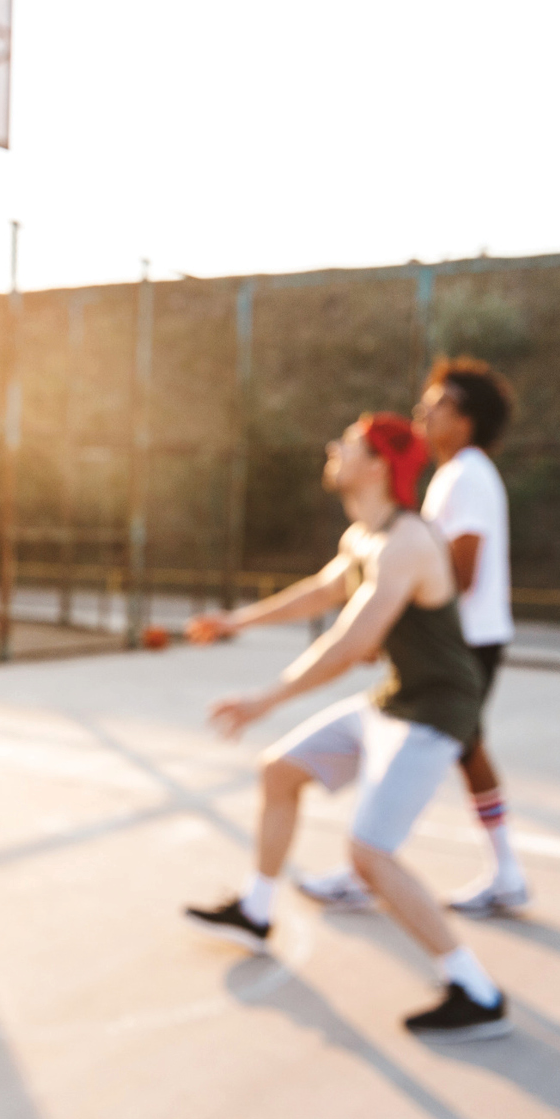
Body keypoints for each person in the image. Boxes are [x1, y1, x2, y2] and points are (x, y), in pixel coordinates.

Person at [184, 413, 512, 1041]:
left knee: (369, 855)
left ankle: (475, 989)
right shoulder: (365, 534)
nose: (334, 449)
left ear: (380, 464)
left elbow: (350, 643)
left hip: (438, 710)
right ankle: (255, 911)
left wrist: (265, 698)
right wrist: (236, 621)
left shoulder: (408, 543)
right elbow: (319, 593)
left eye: (350, 446)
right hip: (395, 700)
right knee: (279, 771)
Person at [295, 359, 528, 916]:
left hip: (464, 641)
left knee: (412, 740)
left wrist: (391, 617)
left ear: (466, 420)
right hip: (467, 638)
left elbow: (460, 570)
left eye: (439, 403)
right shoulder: (457, 474)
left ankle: (373, 865)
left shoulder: (466, 475)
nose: (425, 410)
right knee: (451, 745)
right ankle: (495, 872)